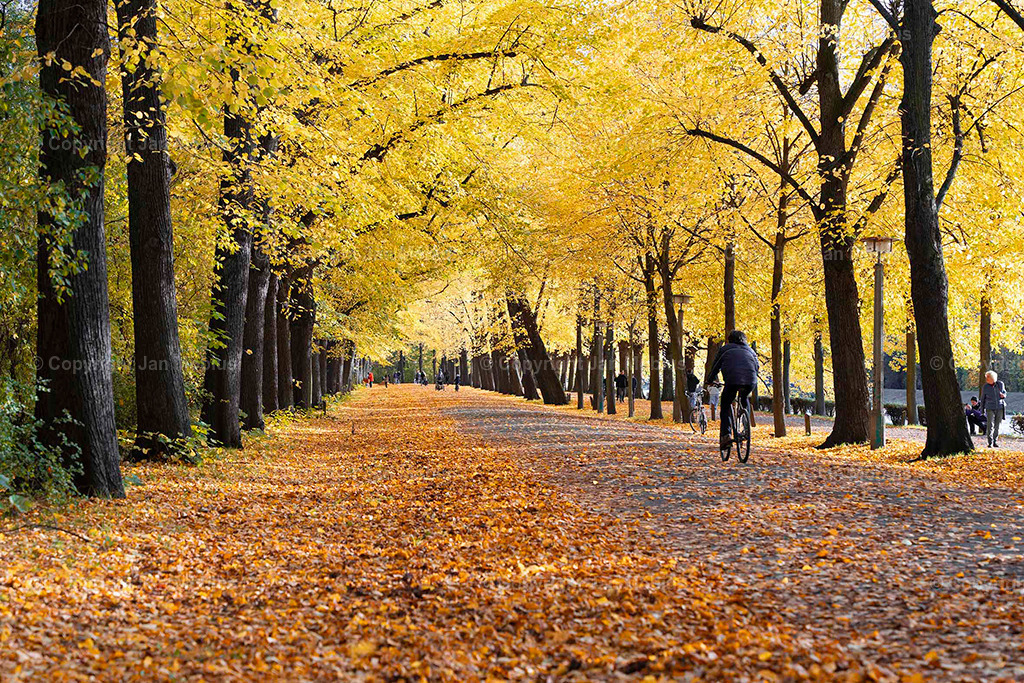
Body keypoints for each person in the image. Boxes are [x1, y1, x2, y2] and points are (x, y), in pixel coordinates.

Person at [708, 330, 759, 450]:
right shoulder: (751, 350)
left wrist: (710, 379)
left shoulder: (725, 349)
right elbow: (757, 366)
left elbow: (716, 367)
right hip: (750, 380)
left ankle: (726, 435)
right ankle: (745, 424)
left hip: (732, 379)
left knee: (725, 404)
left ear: (730, 339)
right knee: (744, 397)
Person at [980, 370, 1006, 448]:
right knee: (990, 425)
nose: (986, 379)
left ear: (992, 378)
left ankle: (995, 441)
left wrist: (1003, 395)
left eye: (988, 377)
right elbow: (982, 399)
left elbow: (1005, 392)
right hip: (989, 407)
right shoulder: (985, 387)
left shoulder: (1000, 384)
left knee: (997, 425)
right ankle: (990, 442)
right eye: (986, 377)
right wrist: (982, 410)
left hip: (1000, 407)